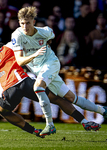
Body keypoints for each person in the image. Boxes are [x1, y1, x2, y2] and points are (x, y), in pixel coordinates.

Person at [0, 42, 101, 139]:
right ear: (0, 48)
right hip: (25, 82)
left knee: (3, 111)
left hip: (8, 91)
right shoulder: (8, 46)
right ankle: (84, 121)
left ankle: (33, 131)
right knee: (57, 99)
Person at [11, 6, 107, 136]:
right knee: (72, 98)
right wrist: (34, 54)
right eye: (22, 23)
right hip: (40, 70)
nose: (25, 26)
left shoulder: (44, 32)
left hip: (51, 63)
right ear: (19, 23)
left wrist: (46, 46)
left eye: (28, 22)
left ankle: (49, 125)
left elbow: (52, 36)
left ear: (34, 22)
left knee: (38, 87)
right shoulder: (17, 35)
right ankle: (102, 110)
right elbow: (19, 61)